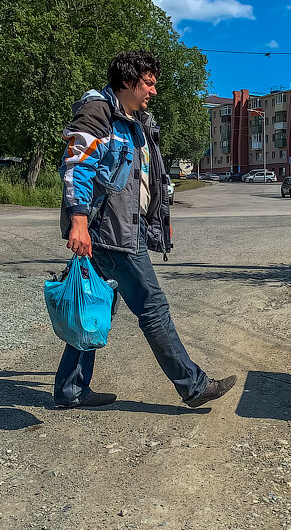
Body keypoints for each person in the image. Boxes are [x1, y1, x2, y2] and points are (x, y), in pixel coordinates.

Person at [54, 49, 236, 409]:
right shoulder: (99, 112)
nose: (153, 91)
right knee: (152, 306)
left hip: (122, 227)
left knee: (96, 307)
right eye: (148, 84)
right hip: (110, 231)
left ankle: (70, 389)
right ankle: (193, 386)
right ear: (127, 81)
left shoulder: (133, 120)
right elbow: (76, 165)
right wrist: (78, 221)